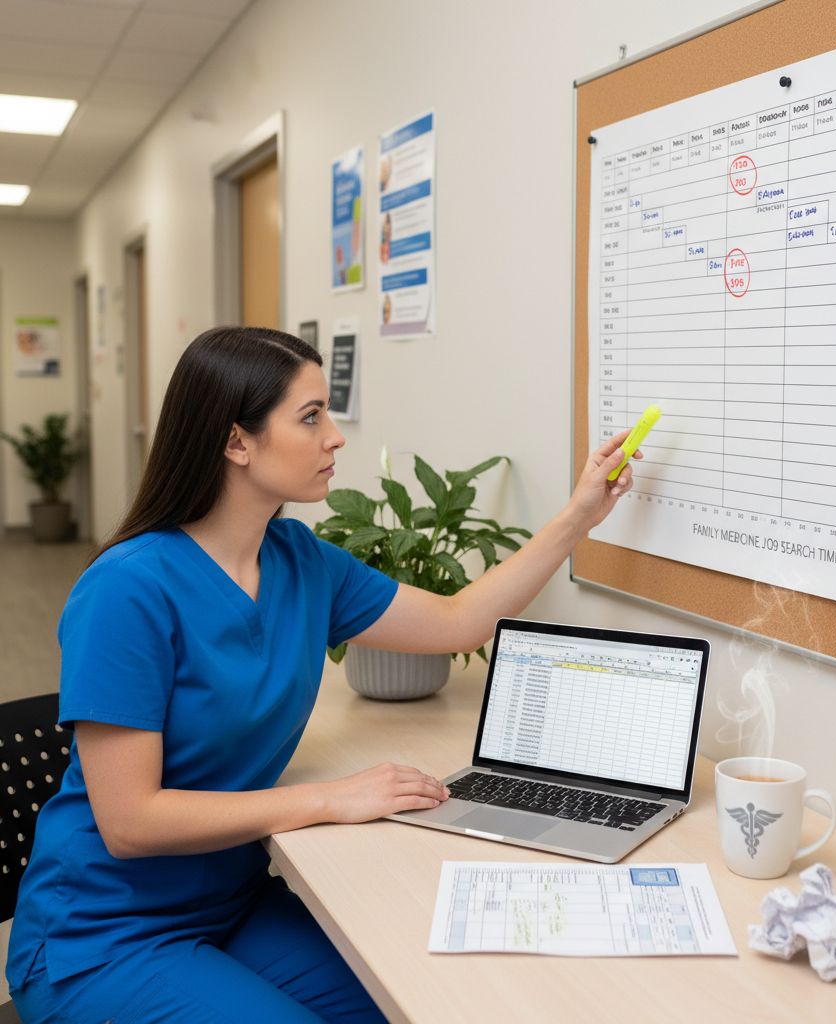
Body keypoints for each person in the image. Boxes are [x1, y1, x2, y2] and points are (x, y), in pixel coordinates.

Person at [5, 326, 639, 1022]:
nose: (335, 437)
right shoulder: (126, 591)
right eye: (311, 417)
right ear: (236, 441)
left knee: (407, 1000)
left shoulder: (299, 560)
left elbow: (458, 621)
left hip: (231, 904)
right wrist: (330, 799)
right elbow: (130, 822)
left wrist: (580, 514)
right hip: (102, 934)